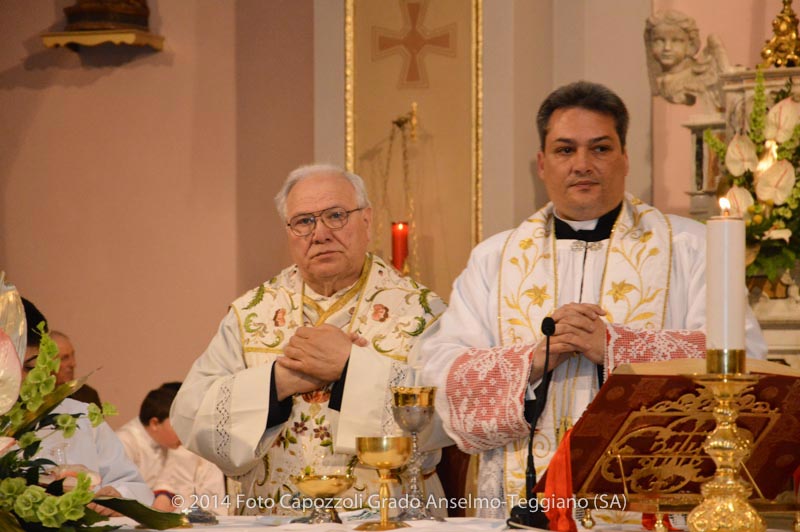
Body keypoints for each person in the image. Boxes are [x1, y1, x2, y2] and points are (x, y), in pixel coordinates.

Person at [416, 81, 768, 519]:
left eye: (600, 148)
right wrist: (534, 359)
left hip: (653, 506)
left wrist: (618, 349)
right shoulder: (495, 258)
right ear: (542, 164)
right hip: (520, 505)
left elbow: (745, 364)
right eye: (565, 150)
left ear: (624, 159)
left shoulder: (693, 247)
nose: (582, 164)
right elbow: (438, 373)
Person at [171, 163, 448, 516]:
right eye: (304, 221)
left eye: (336, 215)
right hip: (274, 517)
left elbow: (451, 412)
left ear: (367, 221)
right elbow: (189, 414)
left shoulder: (423, 312)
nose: (320, 234)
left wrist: (349, 368)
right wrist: (276, 382)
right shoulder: (250, 313)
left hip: (387, 517)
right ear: (288, 232)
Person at [20, 300, 153, 514]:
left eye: (31, 367)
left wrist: (117, 496)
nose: (23, 379)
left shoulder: (78, 415)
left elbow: (136, 487)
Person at [117, 382, 226, 515]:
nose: (184, 433)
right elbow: (118, 494)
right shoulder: (124, 442)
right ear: (155, 423)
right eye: (178, 426)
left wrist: (164, 494)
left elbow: (166, 481)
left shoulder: (165, 441)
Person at [644, 10, 729, 110]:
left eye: (676, 41)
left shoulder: (702, 74)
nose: (667, 47)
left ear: (690, 45)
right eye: (659, 40)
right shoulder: (660, 82)